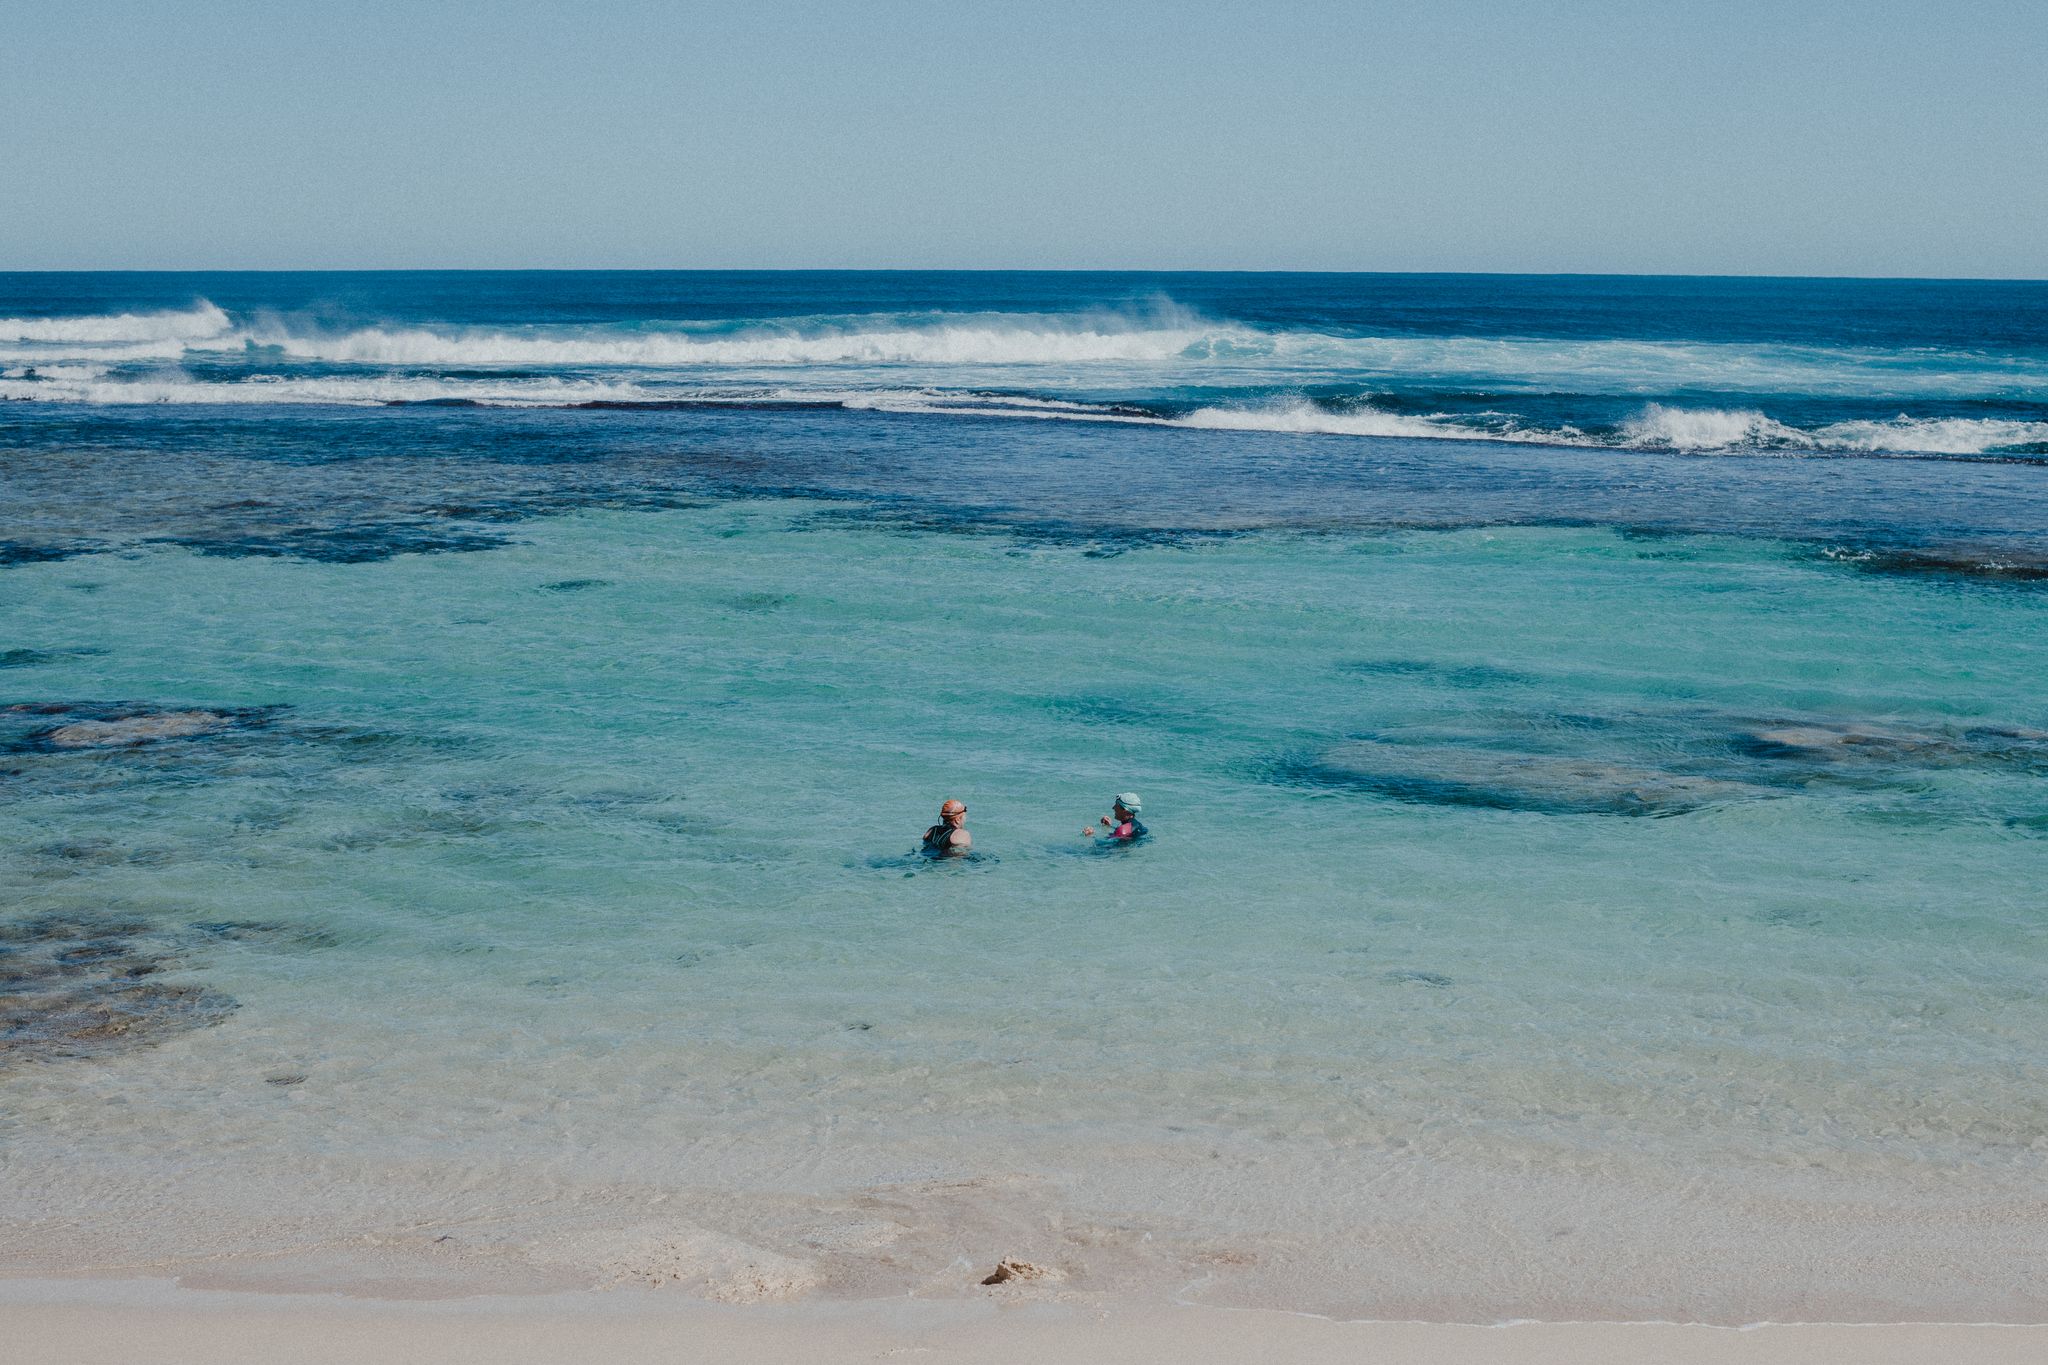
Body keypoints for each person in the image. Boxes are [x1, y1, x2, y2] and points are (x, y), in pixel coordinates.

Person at [1082, 792, 1147, 841]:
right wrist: (1108, 826)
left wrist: (1090, 835)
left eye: (1116, 805)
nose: (1113, 808)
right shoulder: (1137, 824)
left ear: (1125, 810)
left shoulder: (1123, 830)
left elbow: (1105, 847)